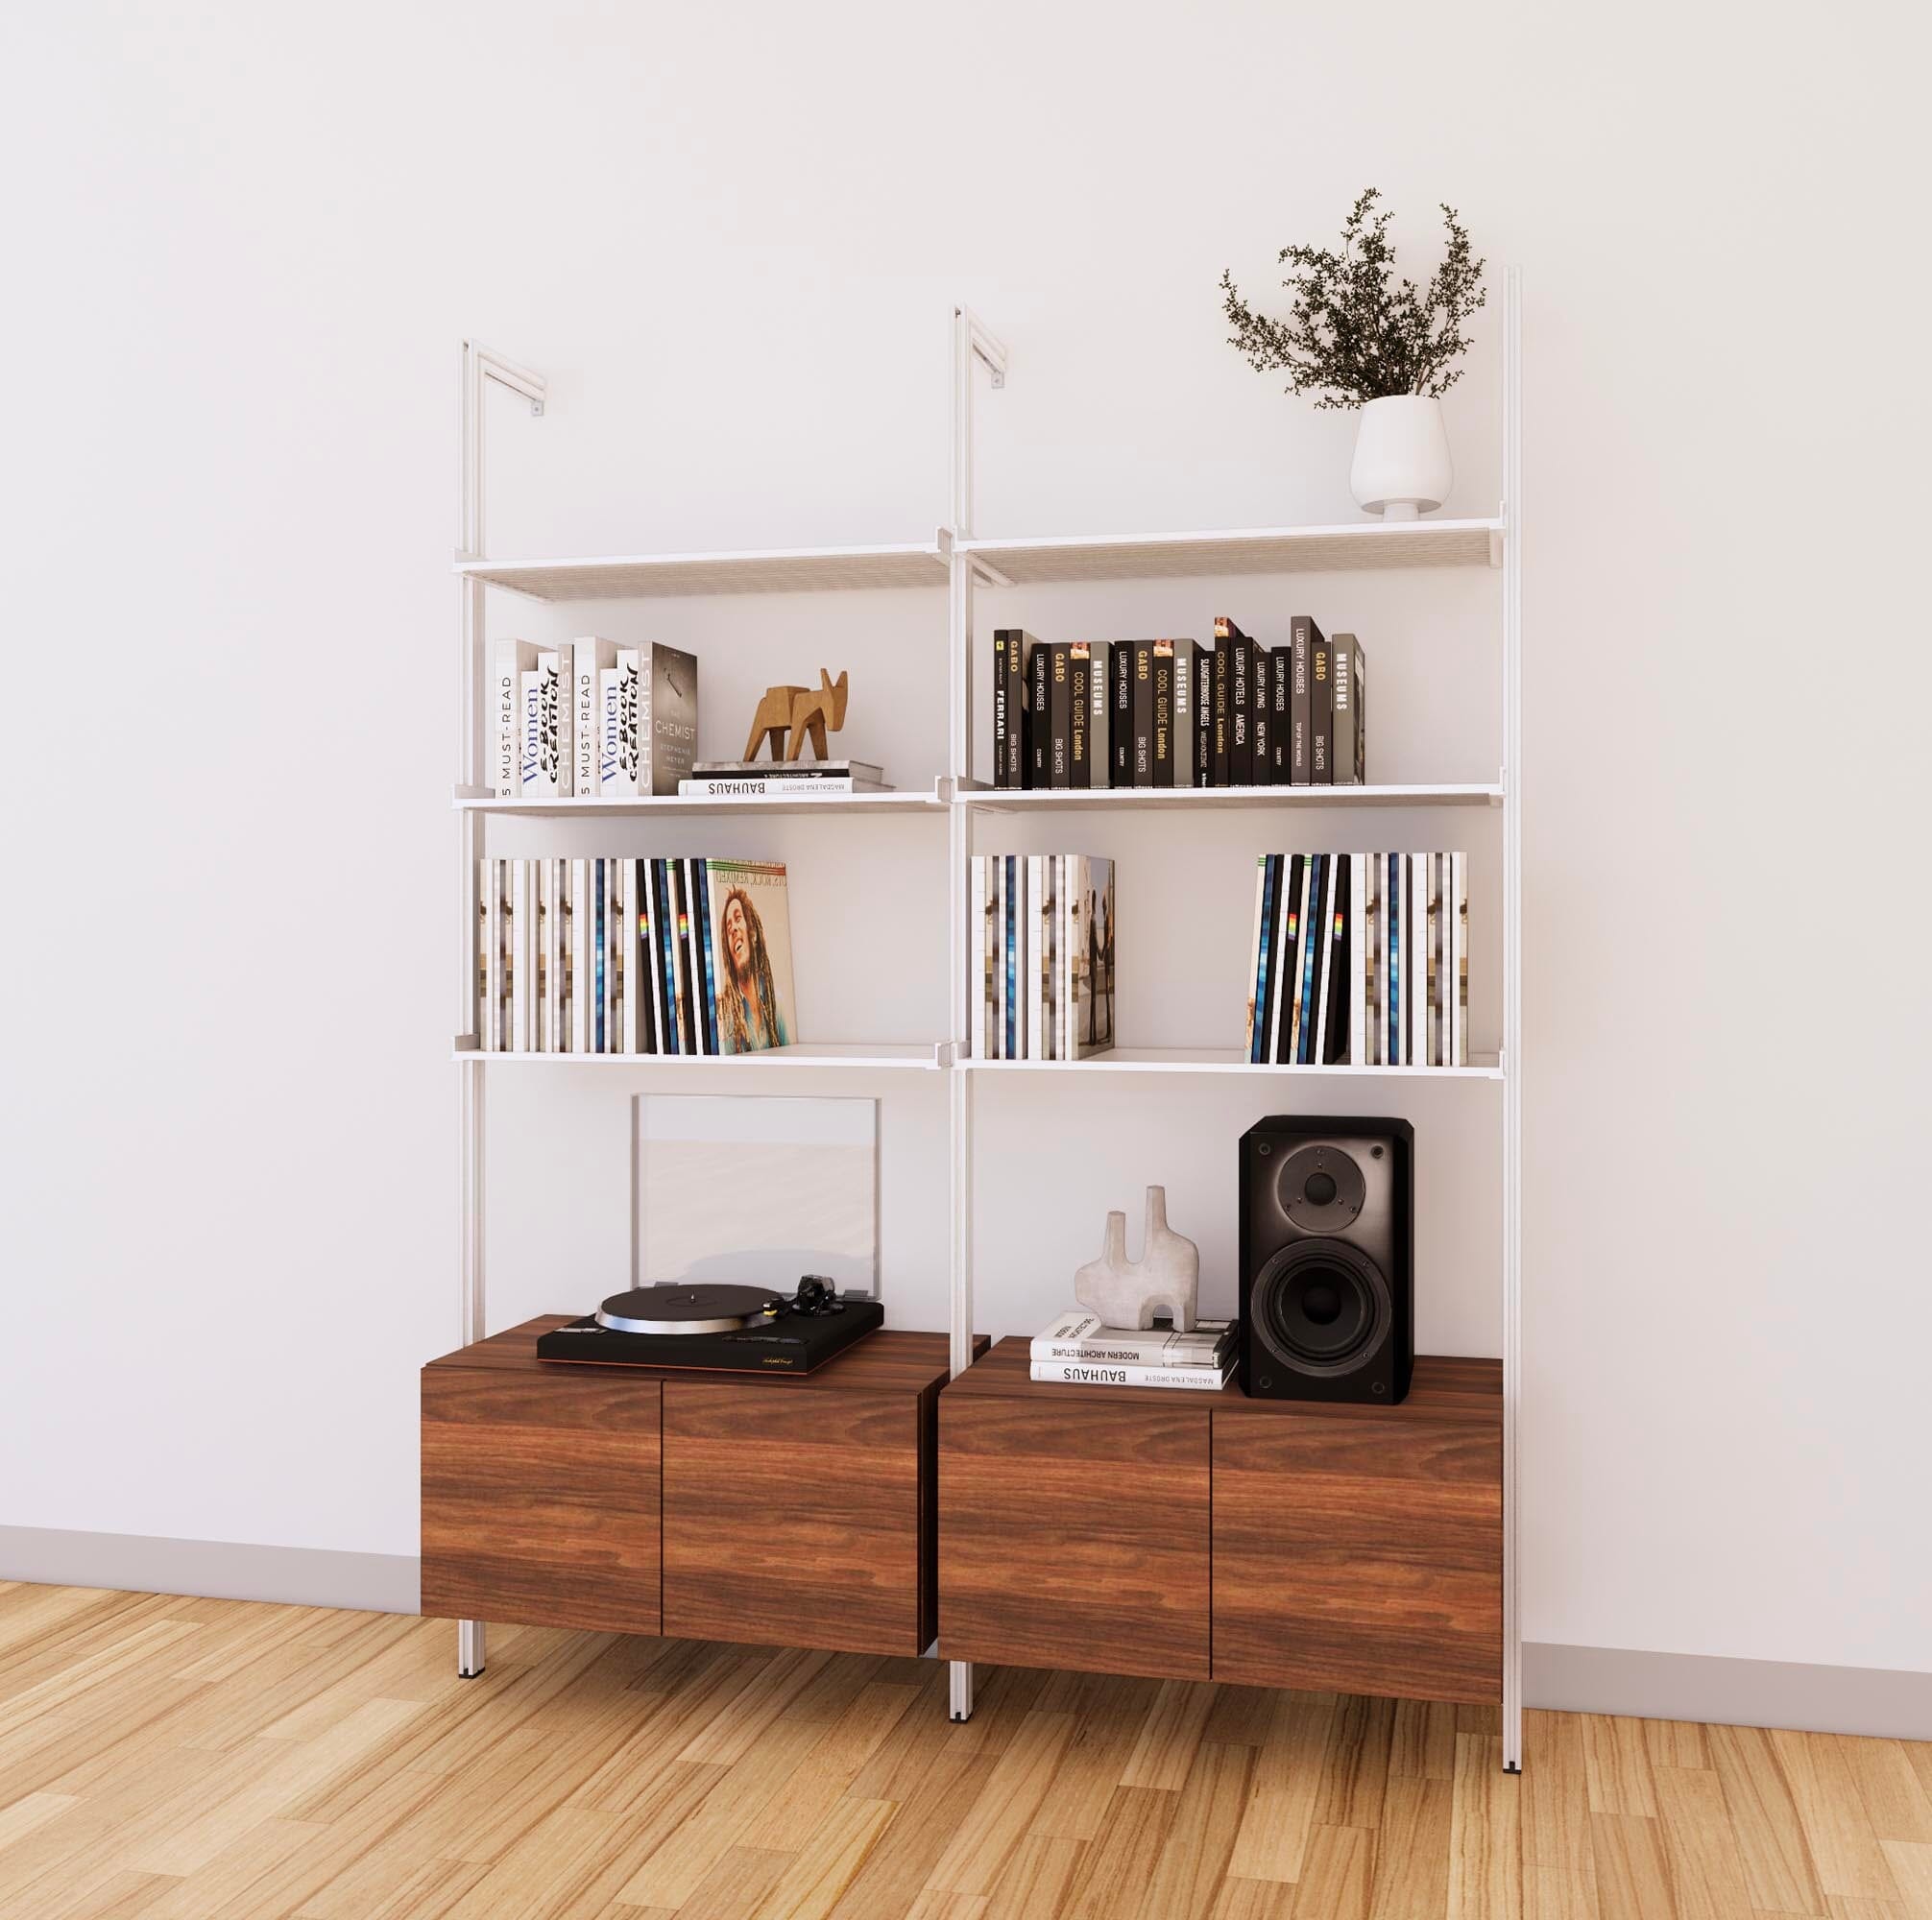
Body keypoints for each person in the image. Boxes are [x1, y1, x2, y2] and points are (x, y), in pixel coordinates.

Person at [717, 885, 787, 1051]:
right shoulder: (726, 1016)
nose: (733, 929)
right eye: (728, 927)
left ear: (753, 933)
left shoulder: (775, 1002)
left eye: (738, 918)